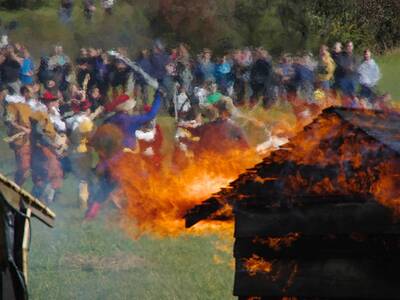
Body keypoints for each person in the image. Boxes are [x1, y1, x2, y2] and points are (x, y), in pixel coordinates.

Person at [3, 86, 32, 186]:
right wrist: (23, 129)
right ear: (25, 92)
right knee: (24, 167)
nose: (32, 94)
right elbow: (9, 121)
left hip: (29, 140)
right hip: (19, 140)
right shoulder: (13, 104)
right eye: (30, 92)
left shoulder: (29, 105)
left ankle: (16, 185)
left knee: (26, 168)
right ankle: (15, 186)